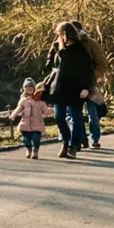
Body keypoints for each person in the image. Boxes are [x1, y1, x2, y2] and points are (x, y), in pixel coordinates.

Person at [43, 22, 96, 159]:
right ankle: (65, 142)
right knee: (59, 116)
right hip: (60, 88)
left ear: (65, 35)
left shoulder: (81, 51)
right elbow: (55, 70)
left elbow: (88, 72)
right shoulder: (60, 50)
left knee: (76, 117)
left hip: (76, 89)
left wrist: (86, 88)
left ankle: (73, 145)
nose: (58, 37)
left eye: (60, 34)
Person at [11, 80, 53, 159]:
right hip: (25, 124)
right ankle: (28, 149)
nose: (28, 88)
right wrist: (14, 114)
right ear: (24, 89)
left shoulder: (40, 101)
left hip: (37, 124)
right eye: (26, 86)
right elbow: (19, 108)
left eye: (30, 86)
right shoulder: (23, 100)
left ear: (34, 88)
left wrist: (51, 110)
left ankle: (36, 151)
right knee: (25, 139)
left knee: (36, 138)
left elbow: (45, 111)